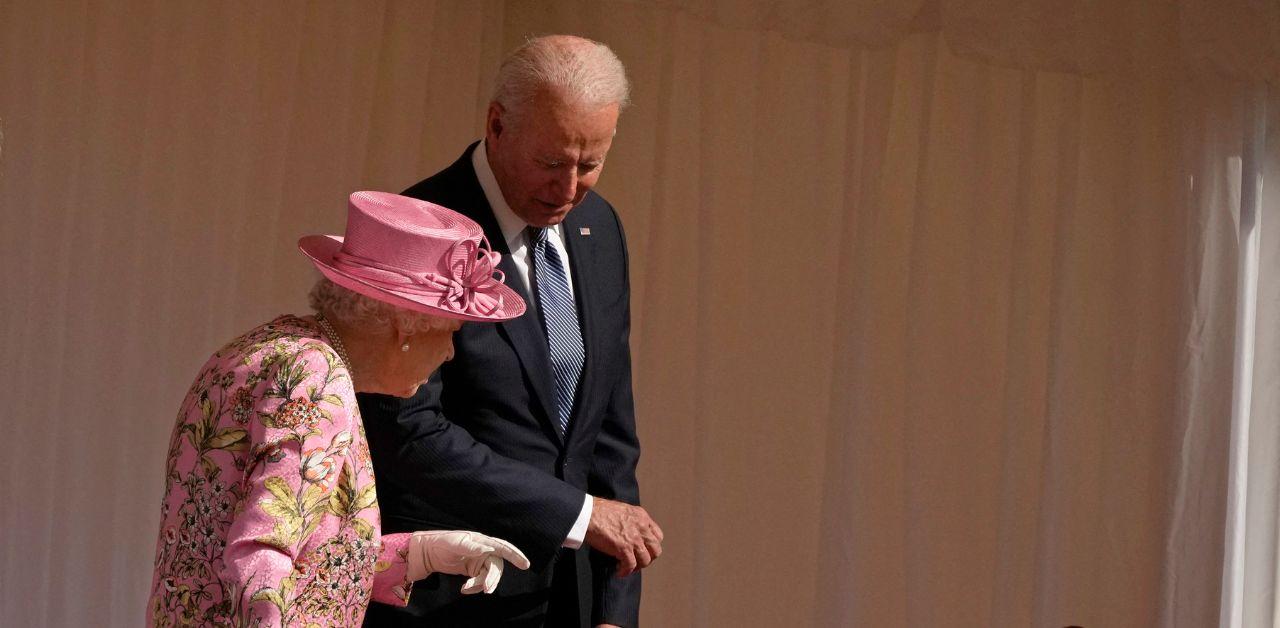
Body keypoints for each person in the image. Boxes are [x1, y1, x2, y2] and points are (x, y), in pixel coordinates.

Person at [359, 36, 661, 628]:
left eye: (591, 163)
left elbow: (609, 437)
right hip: (451, 598)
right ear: (497, 125)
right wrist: (576, 514)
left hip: (568, 601)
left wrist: (613, 610)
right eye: (551, 162)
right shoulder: (419, 228)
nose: (569, 188)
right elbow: (407, 428)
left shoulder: (599, 227)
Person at [147, 191, 532, 626]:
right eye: (450, 333)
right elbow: (262, 559)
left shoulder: (273, 347)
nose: (448, 353)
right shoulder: (315, 379)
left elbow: (282, 552)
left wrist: (419, 554)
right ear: (405, 325)